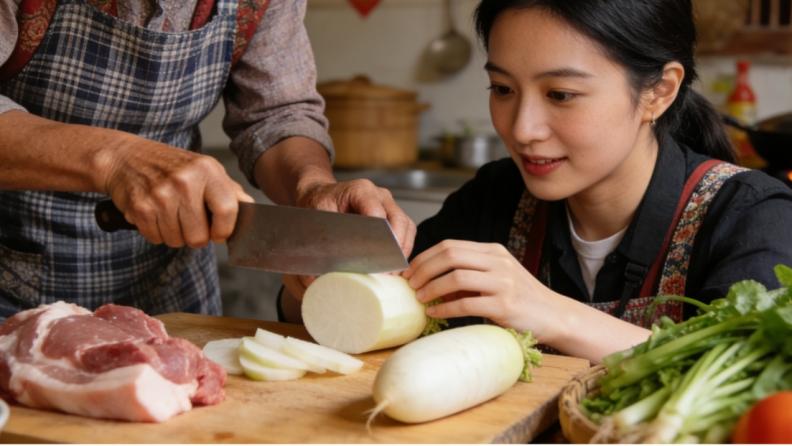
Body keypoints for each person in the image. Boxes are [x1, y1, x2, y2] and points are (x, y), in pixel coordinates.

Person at [280, 0, 792, 363]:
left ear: (658, 91)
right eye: (502, 88)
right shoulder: (496, 198)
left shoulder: (752, 215)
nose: (521, 129)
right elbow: (381, 315)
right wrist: (315, 284)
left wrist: (552, 314)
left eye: (561, 94)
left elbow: (753, 379)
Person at [0, 0, 415, 318]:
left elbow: (276, 112)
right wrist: (117, 159)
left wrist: (312, 186)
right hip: (12, 282)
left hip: (169, 283)